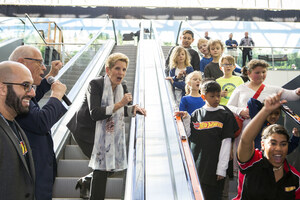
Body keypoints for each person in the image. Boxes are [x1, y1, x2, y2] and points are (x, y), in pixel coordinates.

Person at [67, 53, 146, 200]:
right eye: (117, 68)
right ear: (108, 70)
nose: (121, 73)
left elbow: (123, 110)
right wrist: (121, 104)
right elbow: (95, 113)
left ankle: (87, 181)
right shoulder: (95, 84)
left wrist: (133, 109)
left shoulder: (122, 86)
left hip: (106, 133)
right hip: (86, 132)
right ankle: (91, 186)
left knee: (111, 164)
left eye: (124, 69)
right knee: (103, 167)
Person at [9, 45, 68, 200]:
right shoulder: (13, 100)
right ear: (22, 62)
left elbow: (32, 99)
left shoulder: (22, 95)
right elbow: (40, 122)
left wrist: (50, 76)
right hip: (31, 179)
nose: (43, 67)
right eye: (39, 62)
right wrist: (55, 96)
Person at [227, 59, 300, 176]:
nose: (261, 75)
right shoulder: (240, 89)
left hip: (265, 132)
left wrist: (297, 91)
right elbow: (229, 106)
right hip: (245, 131)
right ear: (249, 73)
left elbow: (291, 95)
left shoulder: (272, 89)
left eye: (263, 72)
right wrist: (240, 111)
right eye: (257, 72)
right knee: (244, 162)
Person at [176, 80, 238, 200]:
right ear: (203, 96)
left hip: (216, 167)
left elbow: (226, 143)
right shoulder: (196, 113)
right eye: (212, 96)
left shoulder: (225, 114)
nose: (216, 99)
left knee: (214, 195)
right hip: (198, 164)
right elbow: (189, 134)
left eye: (218, 95)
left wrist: (221, 169)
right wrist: (186, 117)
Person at [233, 91, 300, 200]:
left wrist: (296, 138)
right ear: (263, 144)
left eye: (283, 144)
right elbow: (245, 140)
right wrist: (265, 110)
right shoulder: (251, 162)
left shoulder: (295, 178)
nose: (278, 149)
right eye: (273, 143)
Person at [0, 61, 36, 200]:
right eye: (25, 85)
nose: (32, 93)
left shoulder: (15, 125)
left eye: (32, 87)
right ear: (3, 88)